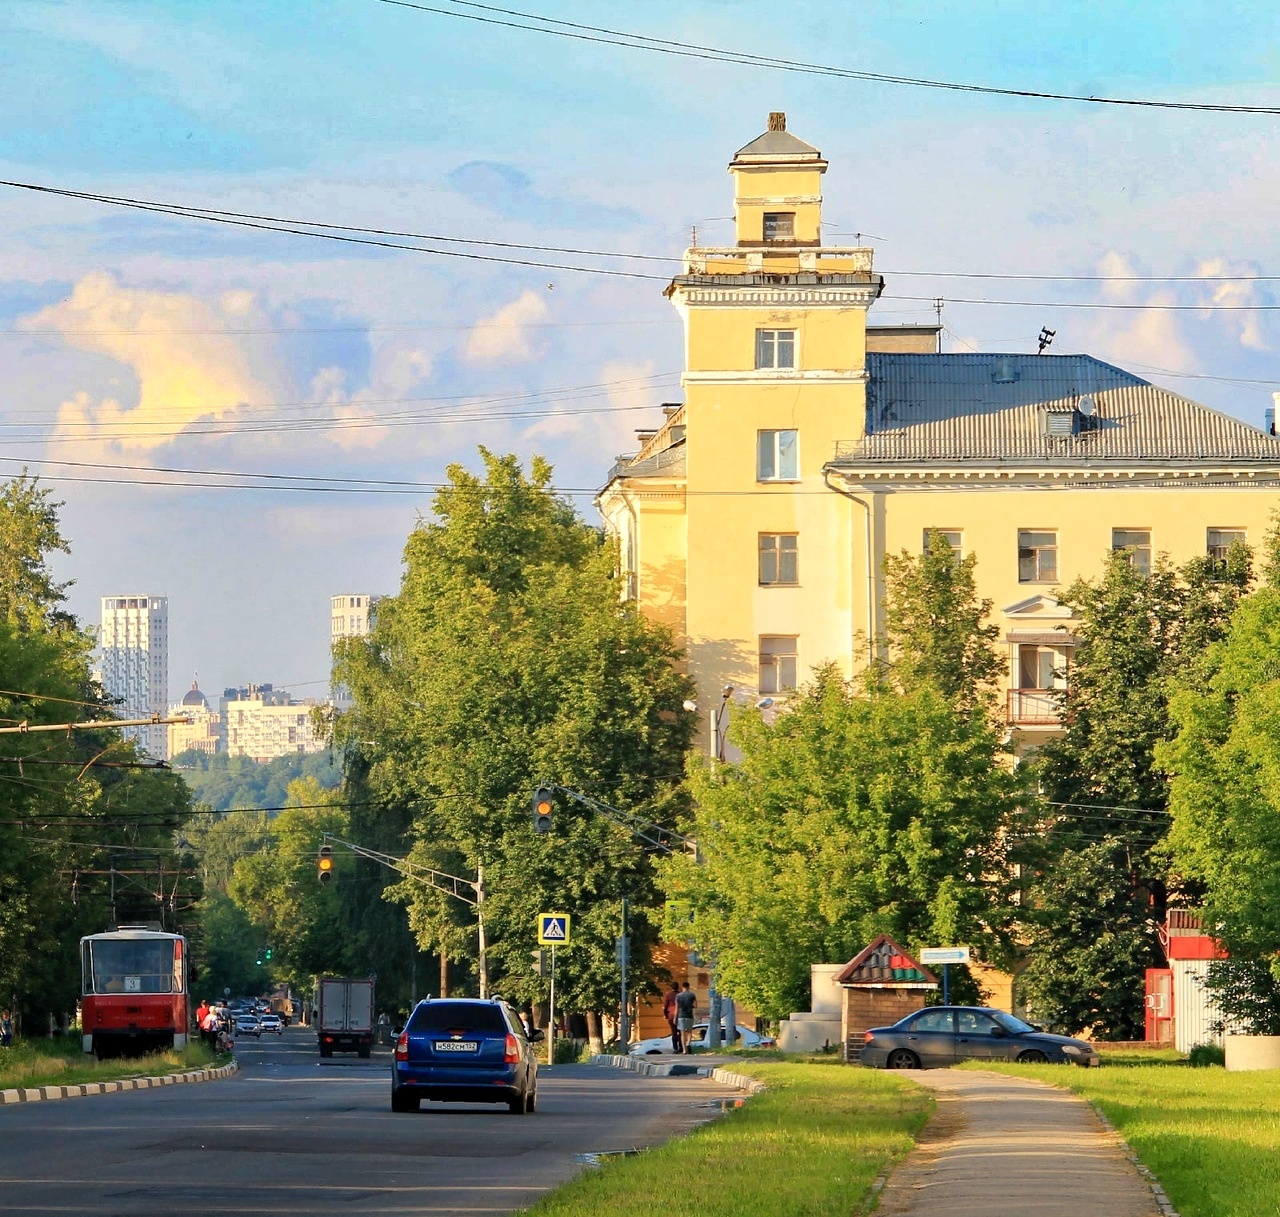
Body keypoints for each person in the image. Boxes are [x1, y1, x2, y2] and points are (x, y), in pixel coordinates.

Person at [674, 982, 697, 1053]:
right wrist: (690, 1006)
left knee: (682, 1033)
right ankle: (688, 1044)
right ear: (688, 987)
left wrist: (675, 1018)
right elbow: (696, 1005)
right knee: (689, 1032)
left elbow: (676, 1008)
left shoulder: (678, 996)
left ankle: (684, 1050)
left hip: (681, 1016)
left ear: (682, 987)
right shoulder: (692, 995)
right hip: (689, 1016)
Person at [662, 981, 682, 1054]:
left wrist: (665, 1015)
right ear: (678, 987)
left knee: (674, 1033)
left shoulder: (669, 995)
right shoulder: (680, 995)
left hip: (671, 1015)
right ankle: (681, 1047)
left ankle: (675, 1048)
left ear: (671, 987)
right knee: (680, 1032)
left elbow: (665, 1006)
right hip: (680, 1015)